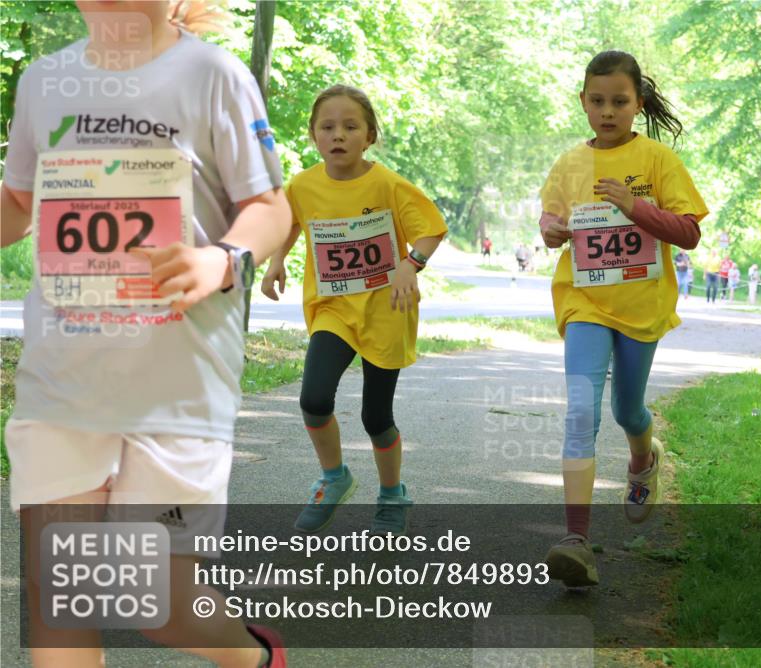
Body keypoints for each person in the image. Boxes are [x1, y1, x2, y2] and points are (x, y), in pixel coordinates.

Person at [1, 2, 292, 666]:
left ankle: (254, 656)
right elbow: (20, 202)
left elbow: (270, 206)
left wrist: (221, 260)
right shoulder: (44, 81)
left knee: (152, 601)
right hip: (62, 374)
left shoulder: (213, 75)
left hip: (177, 383)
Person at [537, 50, 706, 586]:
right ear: (583, 101)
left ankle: (642, 459)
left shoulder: (657, 161)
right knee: (580, 411)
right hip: (584, 301)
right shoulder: (569, 163)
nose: (607, 111)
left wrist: (636, 209)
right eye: (597, 101)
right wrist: (551, 230)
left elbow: (688, 233)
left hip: (641, 305)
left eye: (619, 101)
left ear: (638, 103)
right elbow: (550, 217)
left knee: (627, 410)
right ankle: (576, 540)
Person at [262, 85, 447, 537]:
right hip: (333, 309)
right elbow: (286, 222)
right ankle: (334, 477)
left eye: (350, 127)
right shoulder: (303, 185)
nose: (338, 135)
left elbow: (430, 230)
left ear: (369, 136)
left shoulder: (387, 184)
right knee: (313, 398)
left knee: (375, 417)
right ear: (313, 135)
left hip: (387, 309)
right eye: (328, 127)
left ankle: (392, 495)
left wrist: (410, 265)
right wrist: (276, 261)